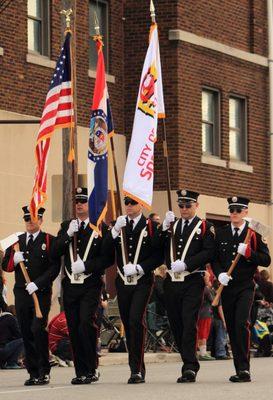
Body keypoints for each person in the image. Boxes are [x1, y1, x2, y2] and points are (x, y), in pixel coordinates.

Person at [50, 187, 114, 385]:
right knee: (74, 327)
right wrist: (67, 235)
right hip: (70, 286)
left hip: (90, 285)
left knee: (86, 324)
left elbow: (108, 258)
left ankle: (92, 368)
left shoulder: (100, 228)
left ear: (91, 205)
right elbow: (55, 251)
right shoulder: (67, 226)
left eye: (83, 201)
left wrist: (86, 265)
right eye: (77, 201)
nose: (79, 205)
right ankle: (80, 371)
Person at [154, 189, 215, 383]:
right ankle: (187, 358)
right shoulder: (172, 226)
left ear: (196, 206)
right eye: (181, 205)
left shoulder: (205, 227)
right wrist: (162, 228)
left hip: (192, 280)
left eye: (188, 205)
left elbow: (208, 252)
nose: (184, 209)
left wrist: (187, 264)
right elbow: (155, 247)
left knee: (189, 322)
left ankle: (189, 367)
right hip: (172, 281)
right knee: (176, 323)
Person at [102, 196, 163, 384]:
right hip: (122, 281)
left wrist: (140, 267)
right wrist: (113, 232)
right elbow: (104, 251)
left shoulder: (151, 227)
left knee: (136, 319)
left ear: (141, 205)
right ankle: (134, 367)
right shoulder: (119, 225)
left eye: (133, 203)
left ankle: (137, 369)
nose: (129, 206)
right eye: (126, 203)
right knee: (128, 323)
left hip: (142, 280)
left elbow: (158, 254)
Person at [212, 196, 271, 383]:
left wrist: (249, 253)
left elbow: (266, 260)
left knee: (241, 324)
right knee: (232, 327)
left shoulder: (253, 233)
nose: (234, 214)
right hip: (227, 287)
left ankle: (244, 368)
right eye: (232, 210)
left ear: (246, 212)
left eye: (238, 210)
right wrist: (219, 273)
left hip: (245, 286)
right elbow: (214, 258)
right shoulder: (221, 233)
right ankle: (239, 368)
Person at [2, 206, 59, 385]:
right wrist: (13, 259)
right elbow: (6, 266)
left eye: (33, 218)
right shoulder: (16, 242)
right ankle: (33, 372)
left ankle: (44, 370)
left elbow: (54, 267)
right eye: (27, 219)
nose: (30, 222)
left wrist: (38, 283)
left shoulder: (49, 240)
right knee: (26, 331)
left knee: (38, 329)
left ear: (41, 220)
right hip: (21, 292)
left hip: (40, 293)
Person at [0, 304, 24, 369]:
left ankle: (3, 363)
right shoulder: (11, 319)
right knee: (23, 340)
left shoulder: (1, 318)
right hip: (3, 350)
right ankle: (12, 363)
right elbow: (19, 334)